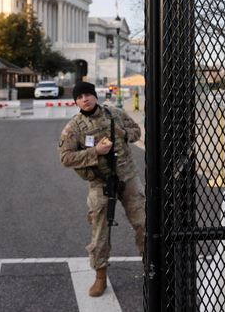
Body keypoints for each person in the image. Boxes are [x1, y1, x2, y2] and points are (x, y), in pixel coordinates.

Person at [58, 81, 145, 297]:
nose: (84, 99)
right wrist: (95, 151)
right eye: (79, 97)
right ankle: (100, 276)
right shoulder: (74, 127)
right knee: (99, 232)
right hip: (100, 183)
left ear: (95, 96)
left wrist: (124, 134)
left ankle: (151, 268)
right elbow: (66, 158)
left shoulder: (114, 113)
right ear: (76, 101)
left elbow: (136, 131)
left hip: (128, 177)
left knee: (144, 223)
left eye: (87, 95)